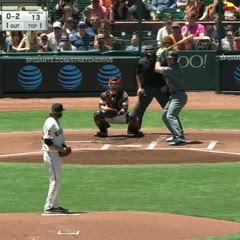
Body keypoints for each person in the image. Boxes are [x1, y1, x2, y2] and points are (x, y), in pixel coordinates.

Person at [132, 45, 170, 134]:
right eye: (147, 50)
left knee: (169, 111)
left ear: (155, 51)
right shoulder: (141, 62)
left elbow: (169, 74)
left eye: (151, 50)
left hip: (160, 89)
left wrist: (166, 85)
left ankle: (178, 130)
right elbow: (138, 75)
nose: (149, 52)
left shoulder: (162, 61)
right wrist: (140, 87)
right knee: (137, 111)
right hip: (147, 88)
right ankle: (135, 129)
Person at [42, 103, 71, 214]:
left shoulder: (56, 122)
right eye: (60, 112)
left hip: (56, 153)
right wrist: (61, 149)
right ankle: (49, 206)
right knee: (55, 180)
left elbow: (58, 138)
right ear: (55, 112)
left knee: (57, 180)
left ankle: (55, 205)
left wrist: (63, 147)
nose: (61, 114)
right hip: (51, 154)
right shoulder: (50, 123)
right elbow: (47, 141)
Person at [155, 51, 188, 146]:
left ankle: (180, 137)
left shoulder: (172, 69)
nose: (169, 60)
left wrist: (158, 58)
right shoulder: (173, 68)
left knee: (170, 116)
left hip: (179, 96)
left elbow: (157, 68)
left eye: (171, 59)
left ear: (175, 59)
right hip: (174, 95)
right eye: (168, 58)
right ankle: (175, 135)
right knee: (165, 116)